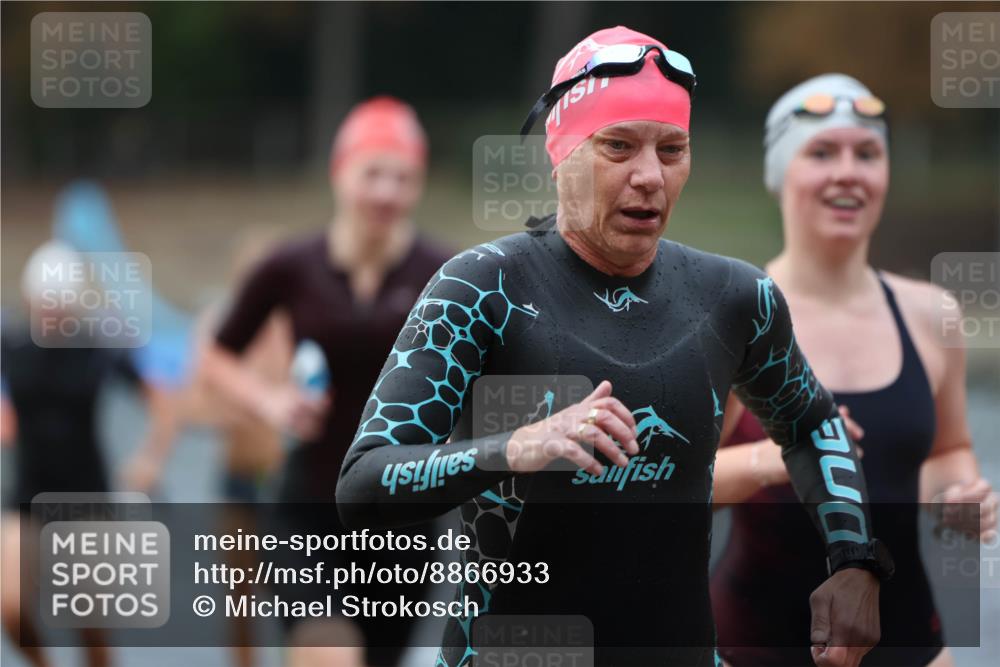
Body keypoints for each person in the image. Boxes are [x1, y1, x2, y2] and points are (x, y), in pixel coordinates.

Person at [338, 27, 885, 667]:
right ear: (562, 153)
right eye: (618, 146)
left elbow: (813, 425)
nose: (650, 176)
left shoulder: (736, 296)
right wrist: (517, 447)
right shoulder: (482, 287)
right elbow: (365, 483)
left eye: (672, 149)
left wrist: (857, 560)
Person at [709, 73, 998, 667]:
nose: (848, 171)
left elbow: (948, 450)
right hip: (752, 647)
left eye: (867, 153)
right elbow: (672, 486)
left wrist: (957, 497)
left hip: (912, 643)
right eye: (821, 152)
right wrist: (789, 452)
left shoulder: (932, 315)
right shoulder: (732, 315)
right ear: (780, 172)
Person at [202, 96, 452, 667]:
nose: (388, 192)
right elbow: (217, 356)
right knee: (329, 655)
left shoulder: (446, 272)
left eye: (404, 178)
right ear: (340, 173)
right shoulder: (291, 265)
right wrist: (270, 402)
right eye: (374, 174)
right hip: (308, 509)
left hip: (404, 521)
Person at [1, 240, 177, 667]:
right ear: (30, 300)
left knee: (89, 624)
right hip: (26, 495)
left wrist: (150, 458)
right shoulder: (12, 344)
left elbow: (162, 399)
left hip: (87, 501)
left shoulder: (98, 347)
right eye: (45, 306)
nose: (52, 316)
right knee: (10, 606)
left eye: (60, 307)